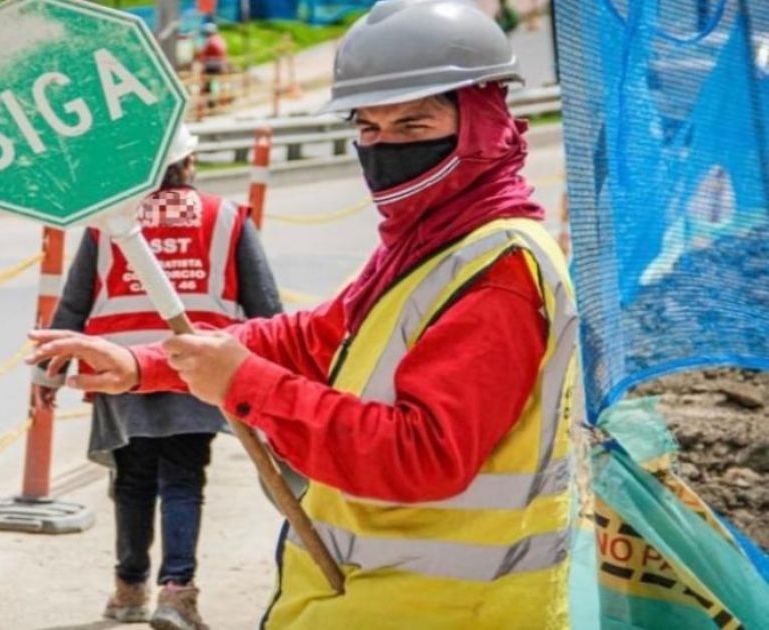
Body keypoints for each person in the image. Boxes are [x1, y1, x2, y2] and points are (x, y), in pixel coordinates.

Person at [30, 1, 581, 627]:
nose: (385, 148)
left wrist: (245, 385)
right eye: (369, 129)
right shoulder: (432, 244)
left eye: (412, 125)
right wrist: (145, 364)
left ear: (481, 124)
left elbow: (423, 456)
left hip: (447, 609)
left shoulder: (496, 272)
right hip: (374, 591)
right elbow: (315, 337)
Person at [34, 125, 282, 630]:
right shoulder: (226, 217)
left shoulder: (108, 222)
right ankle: (176, 593)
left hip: (116, 365)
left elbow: (75, 301)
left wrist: (48, 372)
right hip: (197, 365)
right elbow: (266, 307)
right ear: (190, 163)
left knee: (131, 480)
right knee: (184, 479)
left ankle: (129, 591)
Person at [196, 23, 228, 111]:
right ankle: (218, 104)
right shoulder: (220, 39)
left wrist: (200, 60)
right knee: (217, 85)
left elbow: (203, 54)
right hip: (220, 65)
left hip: (211, 66)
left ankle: (210, 105)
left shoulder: (210, 41)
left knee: (207, 85)